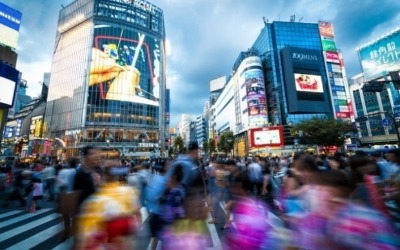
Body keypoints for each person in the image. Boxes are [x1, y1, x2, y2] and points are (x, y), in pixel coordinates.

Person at [74, 160, 141, 249]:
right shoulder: (129, 192)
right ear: (118, 175)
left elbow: (84, 238)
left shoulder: (94, 201)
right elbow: (138, 217)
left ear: (103, 175)